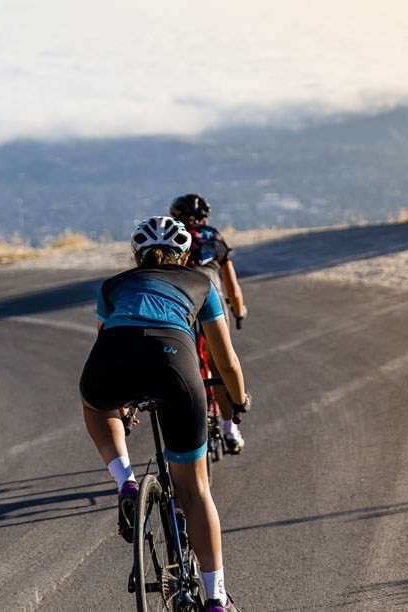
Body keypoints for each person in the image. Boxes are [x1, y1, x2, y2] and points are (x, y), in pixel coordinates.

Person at [80, 215, 250, 612]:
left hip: (112, 363)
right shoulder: (201, 284)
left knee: (95, 403)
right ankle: (215, 598)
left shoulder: (112, 287)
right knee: (194, 490)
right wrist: (238, 402)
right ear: (186, 254)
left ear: (135, 256)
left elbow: (111, 341)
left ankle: (126, 481)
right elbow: (226, 363)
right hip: (175, 366)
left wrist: (122, 403)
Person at [170, 193, 249, 454]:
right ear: (205, 216)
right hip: (211, 296)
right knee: (219, 365)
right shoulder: (213, 237)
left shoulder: (173, 238)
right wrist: (239, 312)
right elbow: (233, 289)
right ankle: (230, 430)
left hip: (179, 301)